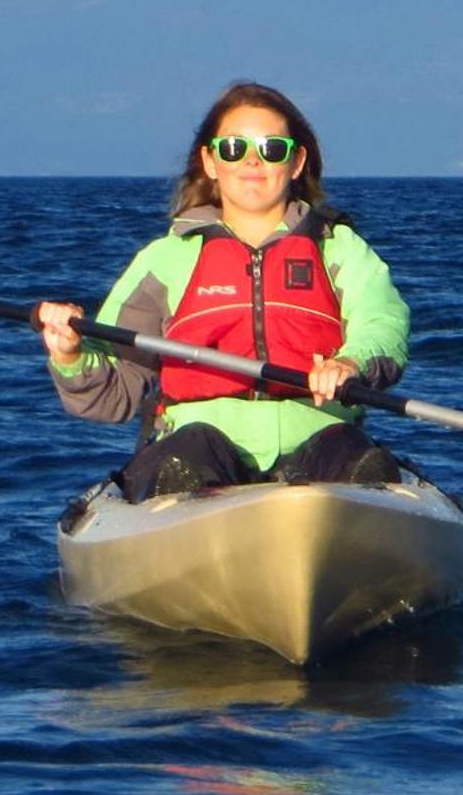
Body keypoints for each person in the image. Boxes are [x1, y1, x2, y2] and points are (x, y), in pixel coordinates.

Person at [35, 82, 408, 501]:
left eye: (272, 148)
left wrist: (349, 362)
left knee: (355, 460)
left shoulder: (338, 247)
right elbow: (114, 394)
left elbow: (383, 322)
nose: (252, 161)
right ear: (210, 162)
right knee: (183, 461)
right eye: (233, 148)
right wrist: (69, 354)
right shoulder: (166, 259)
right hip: (199, 446)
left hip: (321, 435)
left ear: (297, 161)